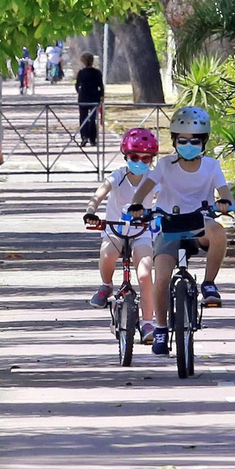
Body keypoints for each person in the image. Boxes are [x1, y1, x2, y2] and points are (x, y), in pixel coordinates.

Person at [145, 105, 232, 356]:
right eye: (182, 140)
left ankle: (208, 283)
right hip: (169, 226)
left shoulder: (211, 166)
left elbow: (223, 190)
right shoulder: (164, 165)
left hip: (198, 225)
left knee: (217, 231)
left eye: (195, 141)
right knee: (161, 278)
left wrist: (225, 202)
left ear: (203, 141)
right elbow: (146, 189)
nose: (188, 145)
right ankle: (161, 328)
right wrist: (139, 204)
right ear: (174, 140)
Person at [83, 128, 163, 344]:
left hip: (142, 232)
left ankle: (148, 322)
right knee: (108, 253)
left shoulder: (152, 179)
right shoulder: (118, 176)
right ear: (125, 156)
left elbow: (165, 199)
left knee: (145, 273)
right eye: (134, 157)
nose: (139, 162)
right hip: (115, 229)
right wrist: (91, 212)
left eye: (146, 158)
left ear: (152, 159)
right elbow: (98, 195)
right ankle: (106, 284)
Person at [74, 53, 103, 145]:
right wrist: (101, 96)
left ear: (83, 62)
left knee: (83, 117)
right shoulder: (97, 72)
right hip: (94, 97)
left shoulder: (81, 73)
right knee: (93, 118)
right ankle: (93, 139)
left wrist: (80, 93)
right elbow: (101, 86)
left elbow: (77, 85)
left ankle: (84, 137)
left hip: (83, 97)